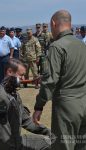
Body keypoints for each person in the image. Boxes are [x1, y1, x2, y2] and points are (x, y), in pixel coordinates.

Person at [33, 10, 86, 150]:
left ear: (53, 23)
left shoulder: (57, 46)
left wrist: (39, 106)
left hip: (67, 107)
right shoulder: (82, 46)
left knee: (64, 146)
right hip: (84, 103)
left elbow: (50, 81)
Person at [0, 59, 51, 150]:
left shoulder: (13, 93)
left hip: (16, 141)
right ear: (9, 72)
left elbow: (26, 120)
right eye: (21, 75)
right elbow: (2, 137)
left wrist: (48, 132)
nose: (22, 78)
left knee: (51, 141)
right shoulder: (0, 98)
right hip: (7, 146)